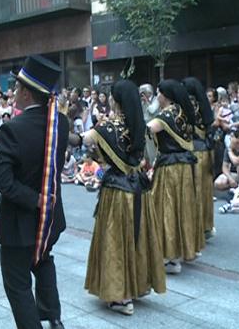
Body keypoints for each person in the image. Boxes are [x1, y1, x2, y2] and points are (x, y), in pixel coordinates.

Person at [0, 55, 68, 329]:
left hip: (20, 221)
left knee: (18, 284)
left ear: (25, 92)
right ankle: (53, 318)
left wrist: (34, 200)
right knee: (43, 261)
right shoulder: (61, 124)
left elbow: (0, 178)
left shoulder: (13, 128)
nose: (13, 93)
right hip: (50, 219)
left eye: (15, 88)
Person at [84, 79, 165, 316]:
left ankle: (120, 296)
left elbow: (83, 139)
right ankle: (138, 285)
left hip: (117, 191)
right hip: (139, 188)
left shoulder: (106, 127)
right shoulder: (138, 125)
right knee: (137, 236)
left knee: (116, 240)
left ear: (114, 100)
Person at [147, 79, 199, 274]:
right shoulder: (182, 111)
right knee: (182, 209)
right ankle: (180, 252)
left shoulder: (166, 115)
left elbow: (147, 129)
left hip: (170, 168)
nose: (157, 96)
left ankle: (170, 257)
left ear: (164, 95)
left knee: (166, 210)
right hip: (184, 167)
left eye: (158, 93)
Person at [183, 77, 216, 241]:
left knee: (194, 190)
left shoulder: (190, 105)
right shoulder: (205, 105)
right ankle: (206, 226)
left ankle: (194, 227)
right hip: (207, 152)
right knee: (205, 190)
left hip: (194, 153)